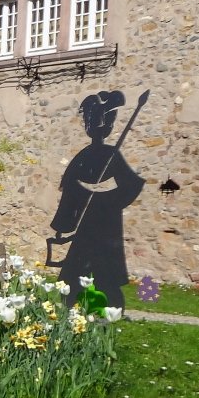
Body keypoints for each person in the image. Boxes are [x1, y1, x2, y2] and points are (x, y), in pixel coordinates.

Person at [49, 90, 145, 309]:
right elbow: (70, 191)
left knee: (106, 271)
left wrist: (105, 200)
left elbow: (131, 185)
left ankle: (111, 308)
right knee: (73, 272)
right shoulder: (82, 158)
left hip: (105, 224)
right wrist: (64, 224)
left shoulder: (112, 156)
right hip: (85, 226)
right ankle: (69, 305)